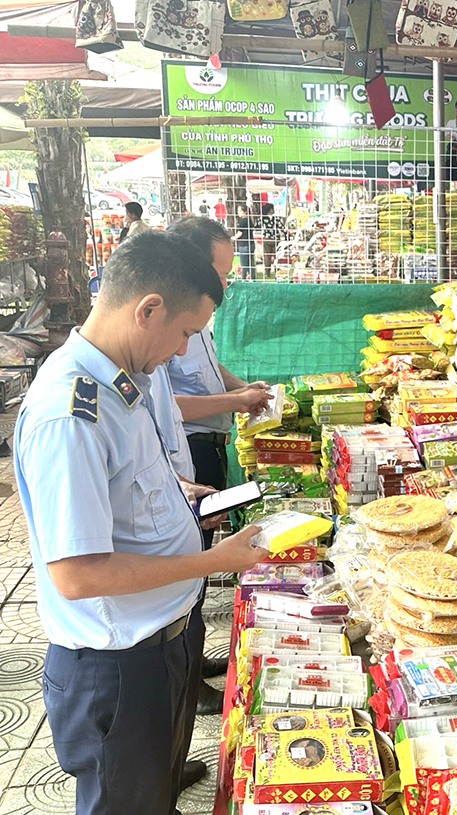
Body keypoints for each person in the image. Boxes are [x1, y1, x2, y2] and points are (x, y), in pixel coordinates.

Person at [13, 230, 267, 815]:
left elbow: (127, 482)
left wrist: (180, 496)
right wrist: (212, 562)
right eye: (184, 334)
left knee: (154, 793)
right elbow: (77, 574)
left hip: (159, 645)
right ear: (148, 309)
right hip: (117, 669)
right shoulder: (70, 412)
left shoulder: (125, 382)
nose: (182, 353)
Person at [165, 217, 271, 722]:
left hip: (205, 448)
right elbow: (170, 403)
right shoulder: (165, 329)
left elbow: (210, 369)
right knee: (196, 558)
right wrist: (235, 398)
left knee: (202, 549)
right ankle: (188, 684)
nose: (225, 284)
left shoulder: (195, 322)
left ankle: (193, 662)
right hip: (190, 444)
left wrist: (244, 388)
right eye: (219, 272)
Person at [260, 203, 284, 277]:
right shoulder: (276, 219)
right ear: (270, 210)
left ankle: (267, 272)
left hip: (266, 239)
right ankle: (277, 270)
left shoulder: (262, 219)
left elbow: (256, 226)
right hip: (275, 239)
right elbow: (281, 227)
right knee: (277, 255)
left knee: (267, 256)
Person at [234, 204, 255, 280]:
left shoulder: (243, 221)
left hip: (244, 244)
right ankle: (252, 278)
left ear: (245, 212)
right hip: (251, 243)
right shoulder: (250, 220)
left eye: (240, 211)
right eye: (238, 211)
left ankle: (243, 279)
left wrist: (233, 238)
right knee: (250, 263)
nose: (238, 212)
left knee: (244, 263)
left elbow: (240, 233)